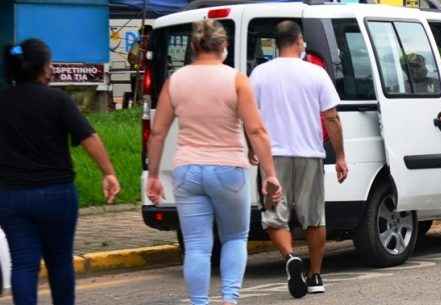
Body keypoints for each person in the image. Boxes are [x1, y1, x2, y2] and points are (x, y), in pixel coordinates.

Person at [145, 20, 282, 305]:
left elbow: (158, 132)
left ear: (194, 47)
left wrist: (155, 175)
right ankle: (229, 299)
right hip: (228, 168)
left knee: (196, 245)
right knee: (234, 237)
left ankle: (199, 302)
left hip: (187, 170)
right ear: (224, 47)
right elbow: (256, 130)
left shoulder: (175, 81)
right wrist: (270, 174)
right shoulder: (236, 80)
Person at [0, 38, 121, 305]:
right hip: (57, 195)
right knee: (59, 261)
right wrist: (108, 172)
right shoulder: (58, 100)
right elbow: (89, 137)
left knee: (23, 263)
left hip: (11, 197)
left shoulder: (3, 101)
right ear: (44, 68)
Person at [249, 20, 348, 298]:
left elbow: (250, 118)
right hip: (310, 155)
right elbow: (331, 117)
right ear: (299, 40)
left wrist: (251, 147)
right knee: (314, 218)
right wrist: (340, 155)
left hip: (273, 157)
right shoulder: (315, 73)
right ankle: (315, 275)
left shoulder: (259, 74)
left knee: (275, 217)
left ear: (276, 43)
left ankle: (290, 257)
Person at [126, 25, 152, 109]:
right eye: (143, 35)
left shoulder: (154, 43)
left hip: (150, 73)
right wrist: (138, 65)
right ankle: (138, 105)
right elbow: (131, 58)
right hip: (138, 74)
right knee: (138, 94)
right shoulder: (137, 44)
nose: (145, 37)